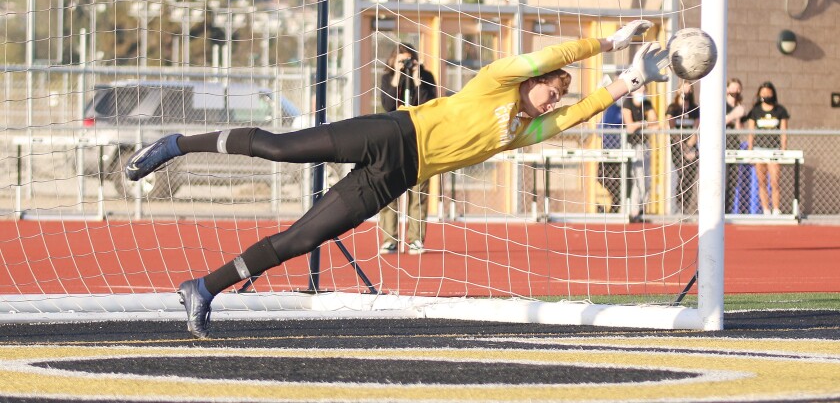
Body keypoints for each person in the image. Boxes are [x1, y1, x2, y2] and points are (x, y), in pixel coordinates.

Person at [124, 20, 667, 338]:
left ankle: (203, 289)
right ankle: (174, 144)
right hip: (390, 134)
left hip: (399, 175)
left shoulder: (520, 132)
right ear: (534, 81)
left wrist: (628, 81)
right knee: (279, 147)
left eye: (559, 95)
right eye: (553, 89)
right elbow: (550, 54)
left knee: (302, 239)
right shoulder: (497, 81)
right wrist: (608, 43)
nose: (555, 99)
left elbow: (575, 117)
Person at [377, 43, 438, 254]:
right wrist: (397, 75)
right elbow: (388, 105)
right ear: (393, 60)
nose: (405, 64)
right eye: (401, 60)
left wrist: (417, 78)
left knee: (418, 190)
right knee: (389, 190)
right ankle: (390, 238)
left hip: (418, 140)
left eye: (408, 60)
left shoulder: (425, 77)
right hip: (394, 141)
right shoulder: (388, 78)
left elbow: (429, 104)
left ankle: (416, 239)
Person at [746, 81, 790, 216]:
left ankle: (776, 209)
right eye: (763, 93)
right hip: (759, 149)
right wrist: (750, 150)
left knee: (775, 181)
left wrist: (783, 148)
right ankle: (765, 209)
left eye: (768, 93)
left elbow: (783, 131)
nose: (766, 95)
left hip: (774, 150)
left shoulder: (780, 110)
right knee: (762, 181)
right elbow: (751, 132)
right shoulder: (755, 111)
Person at [622, 83, 660, 222]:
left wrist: (643, 124)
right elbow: (630, 126)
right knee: (638, 178)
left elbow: (655, 123)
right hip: (633, 145)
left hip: (644, 144)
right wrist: (644, 124)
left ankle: (642, 210)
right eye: (640, 90)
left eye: (644, 90)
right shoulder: (628, 103)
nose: (642, 93)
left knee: (647, 178)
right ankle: (634, 211)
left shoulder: (647, 104)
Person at [665, 82, 700, 214]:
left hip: (691, 146)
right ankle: (679, 206)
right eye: (683, 88)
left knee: (690, 176)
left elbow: (696, 128)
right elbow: (672, 128)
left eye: (689, 89)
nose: (686, 92)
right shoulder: (673, 108)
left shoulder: (694, 108)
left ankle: (685, 208)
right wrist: (683, 148)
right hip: (678, 147)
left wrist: (690, 146)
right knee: (682, 174)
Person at [597, 100, 624, 213]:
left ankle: (615, 207)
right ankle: (613, 202)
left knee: (619, 181)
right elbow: (599, 129)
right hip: (607, 151)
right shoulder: (610, 110)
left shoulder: (623, 110)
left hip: (619, 151)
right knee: (601, 177)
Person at [724, 78, 746, 213]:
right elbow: (720, 122)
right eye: (733, 88)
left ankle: (728, 209)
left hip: (734, 145)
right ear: (727, 89)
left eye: (738, 88)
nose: (735, 91)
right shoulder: (721, 104)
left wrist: (738, 117)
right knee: (723, 179)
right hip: (722, 144)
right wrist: (733, 115)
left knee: (732, 180)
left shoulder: (739, 107)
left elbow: (740, 129)